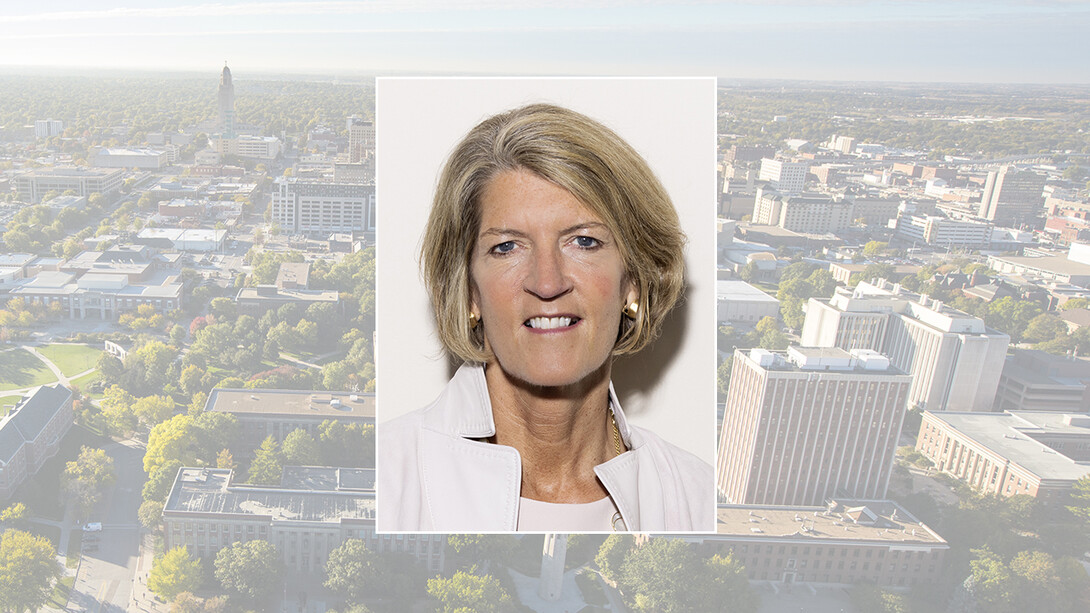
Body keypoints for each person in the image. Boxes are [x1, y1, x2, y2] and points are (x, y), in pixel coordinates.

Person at [378, 103, 713, 532]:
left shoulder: (696, 499)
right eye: (507, 247)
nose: (548, 281)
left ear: (634, 281)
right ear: (470, 291)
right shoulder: (385, 480)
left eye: (584, 241)